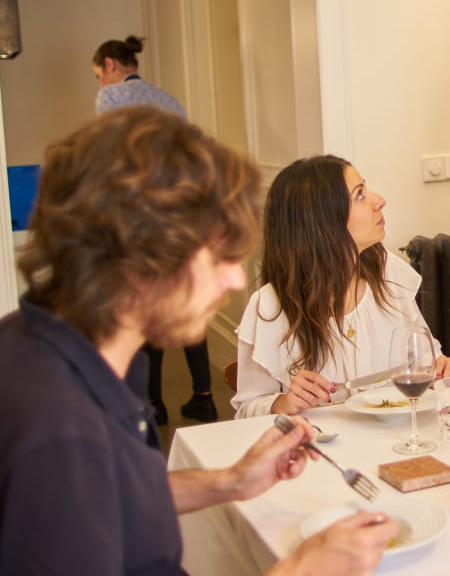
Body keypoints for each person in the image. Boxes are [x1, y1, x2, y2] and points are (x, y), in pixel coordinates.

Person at [0, 106, 398, 574]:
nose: (233, 280)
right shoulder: (60, 435)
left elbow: (107, 494)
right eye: (216, 257)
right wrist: (301, 570)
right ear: (137, 260)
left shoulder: (42, 341)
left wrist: (228, 482)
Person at [232, 155, 450, 418]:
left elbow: (428, 361)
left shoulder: (389, 272)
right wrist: (282, 403)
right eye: (359, 195)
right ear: (321, 222)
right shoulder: (269, 307)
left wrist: (444, 371)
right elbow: (246, 410)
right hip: (319, 453)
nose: (379, 201)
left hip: (393, 443)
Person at [92, 34, 217, 424]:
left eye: (99, 74)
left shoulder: (109, 99)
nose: (100, 83)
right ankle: (204, 396)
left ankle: (153, 404)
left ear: (110, 64)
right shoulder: (170, 102)